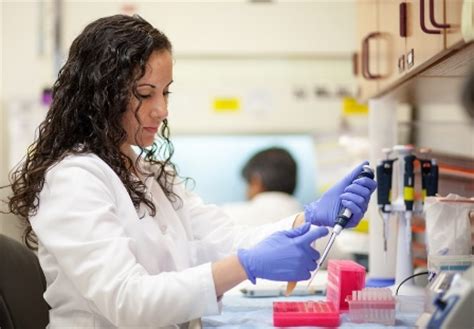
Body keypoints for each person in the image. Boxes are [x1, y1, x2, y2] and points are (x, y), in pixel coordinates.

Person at [2, 15, 376, 328]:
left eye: (166, 92)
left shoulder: (148, 172)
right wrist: (245, 266)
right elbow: (129, 302)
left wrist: (307, 217)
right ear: (100, 94)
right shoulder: (73, 179)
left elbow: (225, 237)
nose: (161, 109)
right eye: (145, 94)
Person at [222, 147, 302, 226]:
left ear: (256, 182)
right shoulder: (307, 220)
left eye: (248, 184)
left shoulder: (228, 216)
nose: (246, 192)